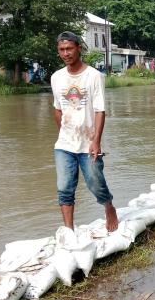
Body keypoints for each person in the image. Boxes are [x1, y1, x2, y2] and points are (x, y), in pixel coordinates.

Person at [51, 31, 118, 232]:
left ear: (79, 48)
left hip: (89, 143)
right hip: (64, 144)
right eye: (62, 50)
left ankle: (109, 208)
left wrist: (96, 141)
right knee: (64, 188)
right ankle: (69, 230)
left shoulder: (94, 76)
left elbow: (100, 111)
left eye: (69, 48)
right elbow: (57, 110)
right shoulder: (56, 77)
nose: (66, 53)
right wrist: (64, 133)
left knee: (96, 184)